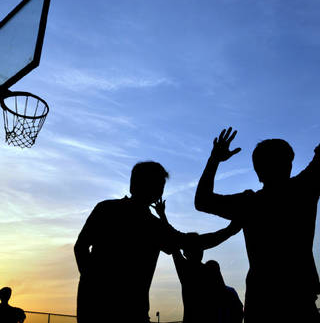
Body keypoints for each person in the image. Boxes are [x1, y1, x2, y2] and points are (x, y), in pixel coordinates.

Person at [74, 161, 241, 323]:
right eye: (160, 184)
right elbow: (191, 242)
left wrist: (90, 284)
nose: (162, 189)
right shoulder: (152, 226)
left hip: (98, 308)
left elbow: (80, 247)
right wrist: (230, 230)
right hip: (130, 311)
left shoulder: (107, 209)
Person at [194, 127, 320, 323]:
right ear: (289, 165)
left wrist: (214, 160)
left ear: (259, 173)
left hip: (260, 304)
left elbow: (202, 201)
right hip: (300, 301)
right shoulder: (303, 190)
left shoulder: (249, 204)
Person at [154, 199, 243, 323]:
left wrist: (162, 215)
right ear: (202, 250)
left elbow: (171, 237)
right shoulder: (211, 269)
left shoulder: (184, 269)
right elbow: (224, 233)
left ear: (185, 252)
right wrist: (238, 220)